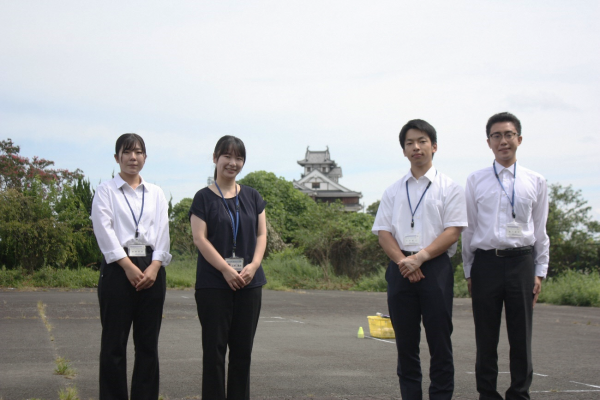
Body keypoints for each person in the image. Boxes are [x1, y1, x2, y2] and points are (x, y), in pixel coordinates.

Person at [372, 119, 467, 400]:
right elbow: (384, 232)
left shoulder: (449, 187)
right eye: (410, 143)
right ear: (404, 150)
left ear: (434, 146)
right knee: (406, 344)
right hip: (400, 268)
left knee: (440, 342)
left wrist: (421, 258)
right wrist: (405, 261)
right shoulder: (393, 190)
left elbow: (453, 231)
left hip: (435, 267)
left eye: (422, 141)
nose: (416, 147)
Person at [462, 112, 549, 400]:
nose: (503, 141)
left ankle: (519, 394)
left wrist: (539, 271)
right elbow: (469, 228)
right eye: (496, 136)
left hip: (522, 263)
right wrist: (469, 270)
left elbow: (540, 230)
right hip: (486, 262)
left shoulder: (536, 181)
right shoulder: (475, 181)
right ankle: (487, 394)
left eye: (509, 135)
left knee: (521, 337)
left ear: (519, 139)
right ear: (488, 142)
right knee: (486, 337)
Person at [91, 133, 171, 400]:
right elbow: (104, 231)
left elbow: (162, 233)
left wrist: (155, 266)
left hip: (152, 268)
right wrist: (126, 266)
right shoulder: (105, 191)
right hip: (117, 269)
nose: (133, 157)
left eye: (138, 152)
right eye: (127, 152)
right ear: (117, 158)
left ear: (145, 158)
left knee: (148, 345)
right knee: (114, 344)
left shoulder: (156, 193)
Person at [189, 135, 267, 400]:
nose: (233, 163)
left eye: (239, 158)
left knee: (242, 353)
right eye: (227, 156)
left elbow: (261, 235)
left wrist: (254, 265)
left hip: (249, 283)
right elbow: (200, 238)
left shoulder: (253, 197)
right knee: (214, 353)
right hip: (214, 284)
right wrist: (224, 269)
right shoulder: (203, 198)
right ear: (215, 158)